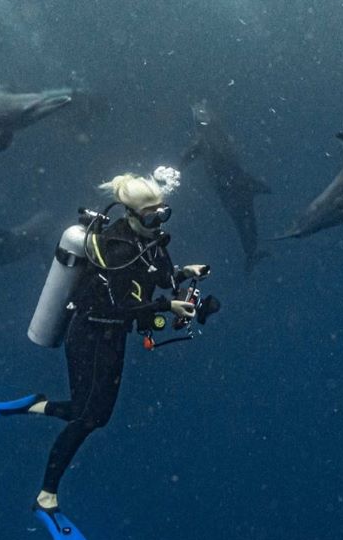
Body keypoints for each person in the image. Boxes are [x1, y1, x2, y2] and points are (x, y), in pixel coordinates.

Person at [15, 172, 211, 514]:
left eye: (163, 213)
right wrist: (166, 306)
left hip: (112, 335)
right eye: (150, 217)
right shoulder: (117, 250)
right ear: (130, 216)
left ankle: (37, 406)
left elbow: (157, 276)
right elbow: (121, 305)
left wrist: (184, 274)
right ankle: (47, 493)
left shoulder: (149, 241)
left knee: (97, 415)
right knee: (86, 418)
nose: (158, 222)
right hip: (90, 334)